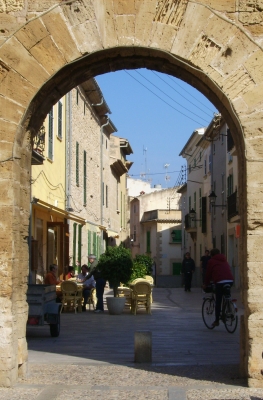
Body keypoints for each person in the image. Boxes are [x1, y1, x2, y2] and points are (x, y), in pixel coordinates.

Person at [203, 248, 234, 327]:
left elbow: (208, 274)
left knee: (218, 301)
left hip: (220, 282)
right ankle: (229, 307)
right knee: (227, 294)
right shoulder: (224, 259)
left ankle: (217, 321)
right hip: (230, 280)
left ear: (212, 255)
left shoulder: (211, 261)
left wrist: (205, 284)